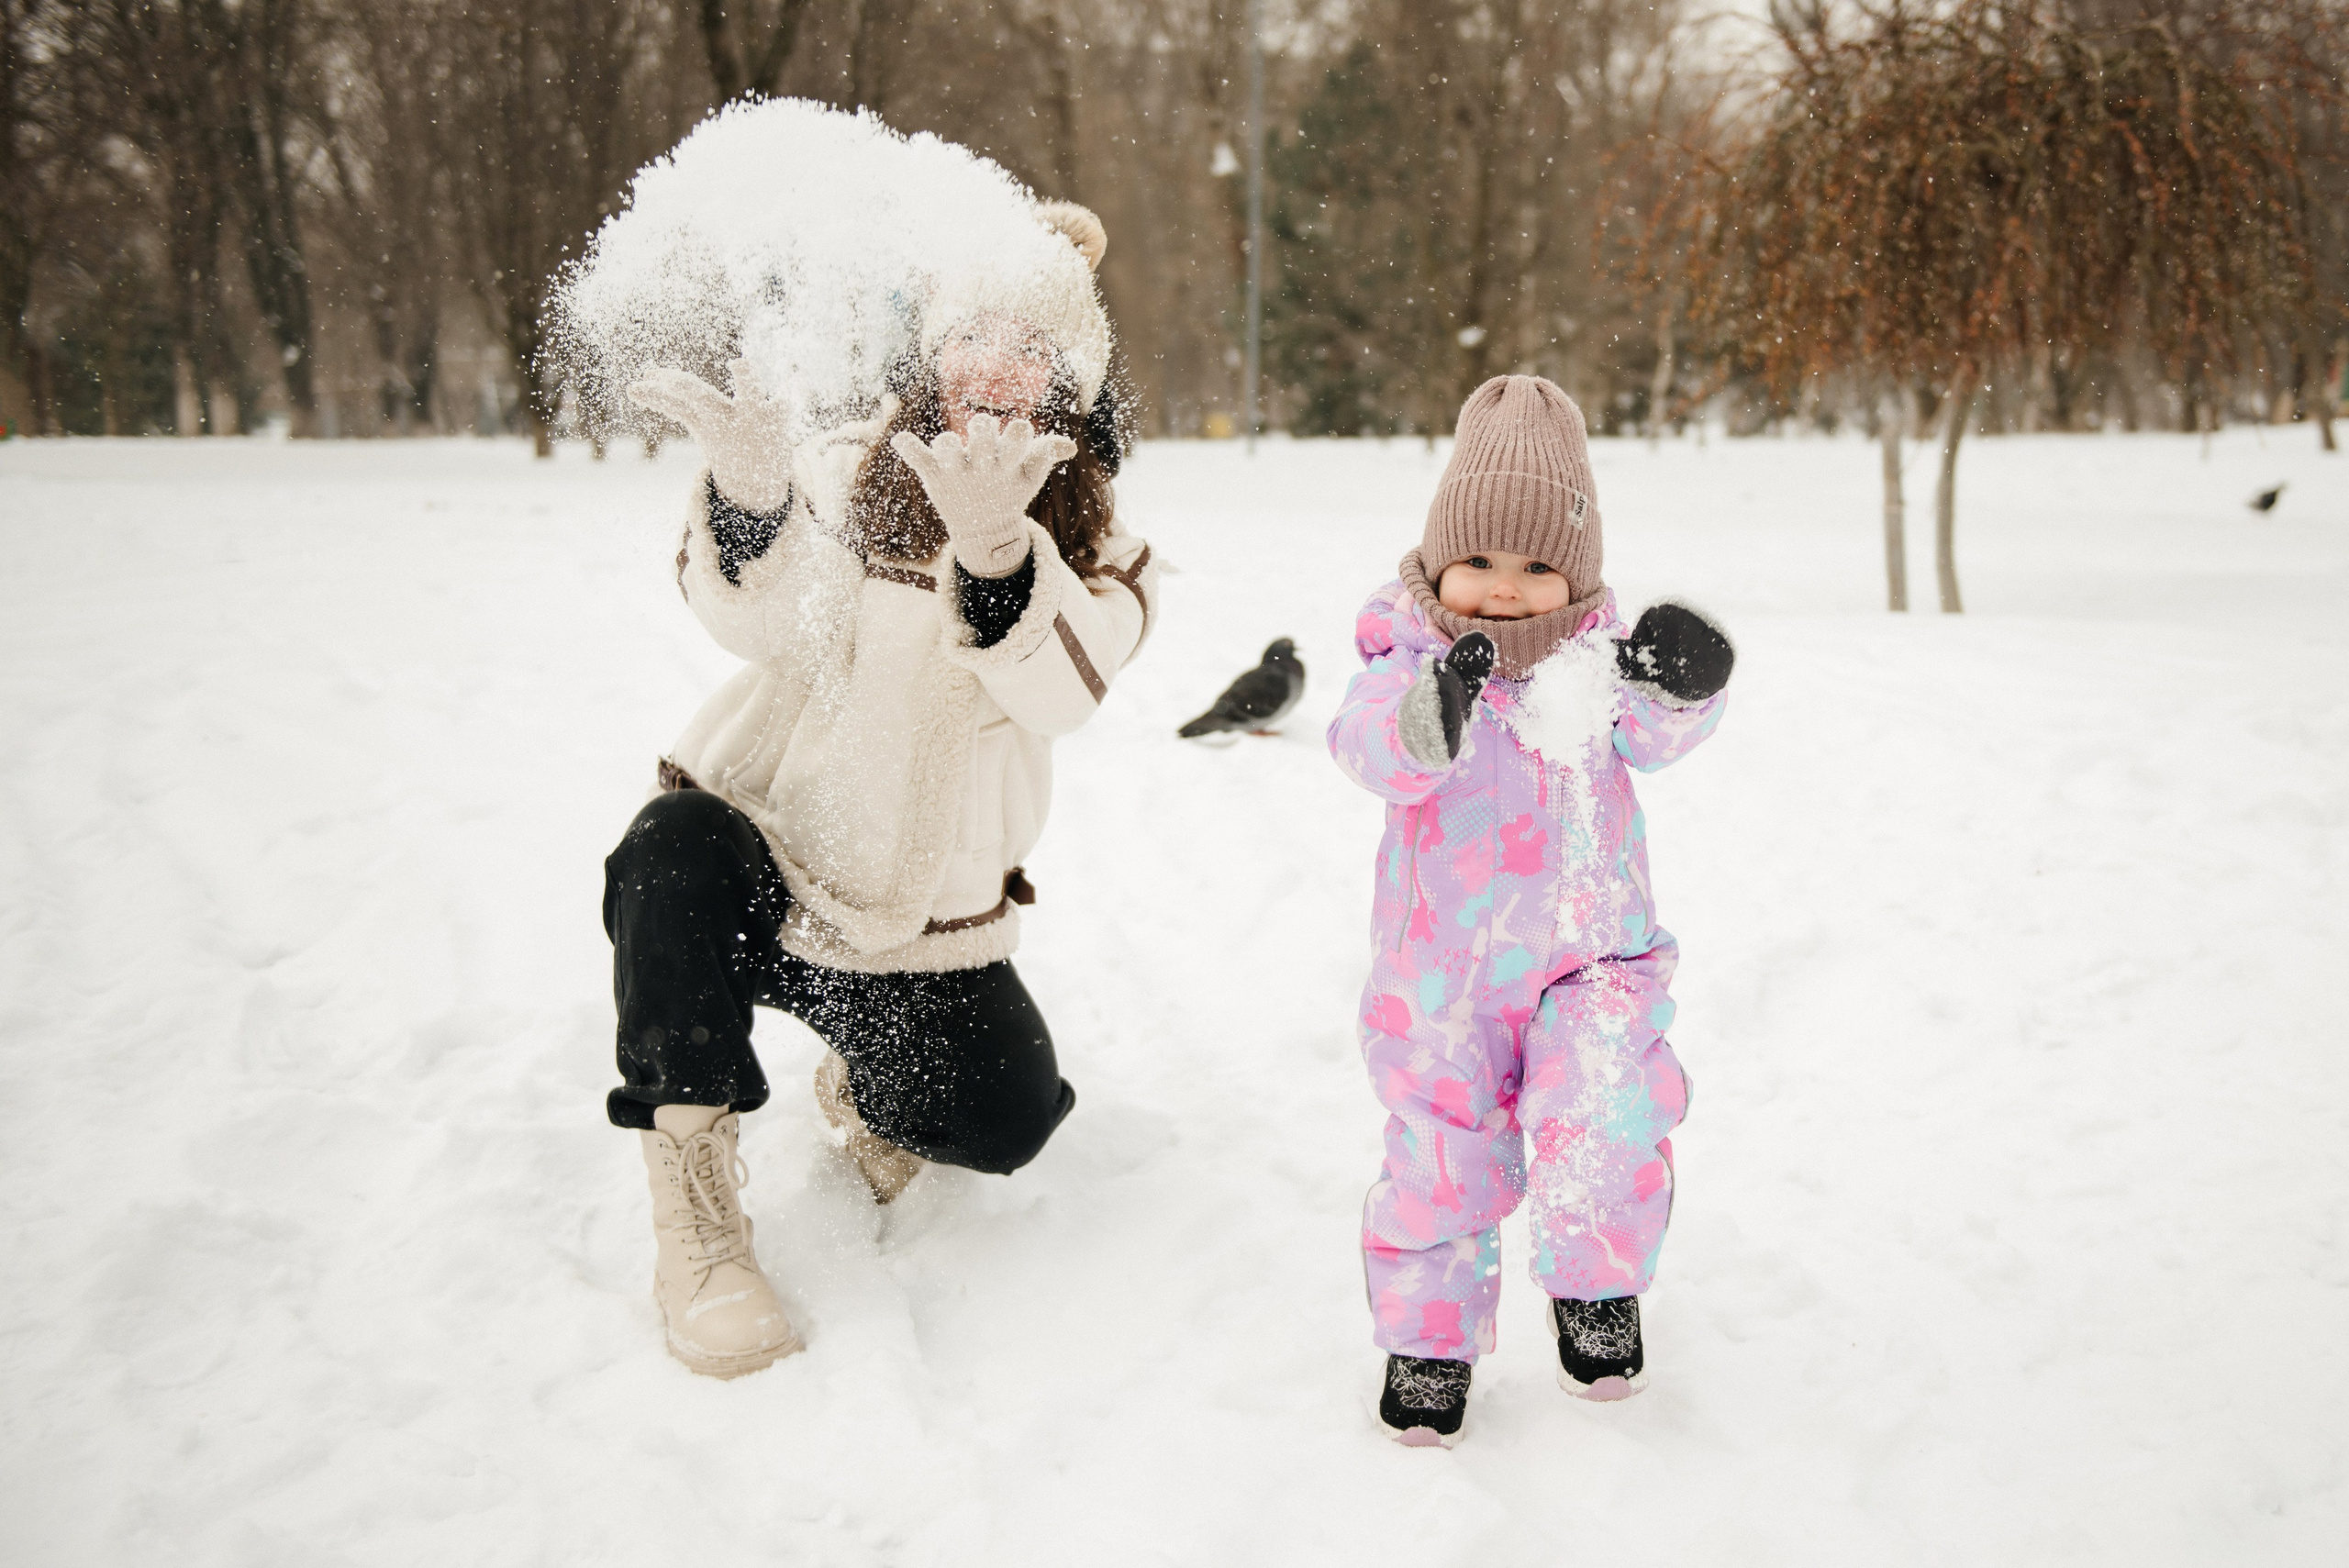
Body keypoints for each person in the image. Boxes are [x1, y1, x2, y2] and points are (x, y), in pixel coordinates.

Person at [606, 202, 1157, 1378]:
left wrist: (1001, 555)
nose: (992, 368)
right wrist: (753, 501)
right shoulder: (840, 467)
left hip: (915, 926)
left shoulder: (1107, 545)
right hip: (762, 873)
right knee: (670, 847)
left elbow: (1064, 691)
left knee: (1007, 1120)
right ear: (931, 351)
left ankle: (867, 1081)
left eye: (1029, 344)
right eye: (971, 335)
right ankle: (697, 1217)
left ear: (1071, 376)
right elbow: (754, 620)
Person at [1326, 374, 1735, 1446]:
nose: (1505, 589)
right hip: (1438, 979)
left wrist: (1680, 685)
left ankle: (1597, 1290)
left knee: (1604, 1116)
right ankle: (1429, 1339)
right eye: (1480, 562)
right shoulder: (1403, 661)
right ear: (1436, 563)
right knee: (1438, 1154)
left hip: (1590, 960)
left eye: (1536, 564)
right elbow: (1365, 747)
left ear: (1578, 573)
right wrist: (1430, 718)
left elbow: (1655, 736)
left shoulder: (1599, 664)